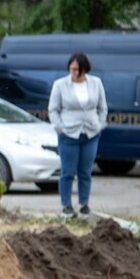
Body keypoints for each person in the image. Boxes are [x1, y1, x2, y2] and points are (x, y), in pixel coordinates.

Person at [48, 51, 108, 219]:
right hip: (69, 133)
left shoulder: (96, 83)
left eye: (77, 70)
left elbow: (102, 107)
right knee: (68, 171)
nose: (74, 73)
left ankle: (84, 203)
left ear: (84, 69)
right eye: (71, 69)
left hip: (90, 132)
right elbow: (53, 109)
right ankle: (66, 204)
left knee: (85, 171)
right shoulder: (60, 85)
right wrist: (59, 127)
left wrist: (100, 124)